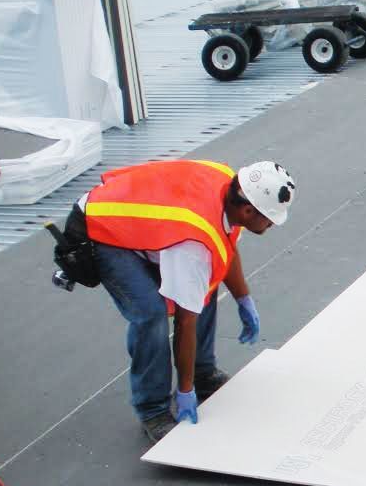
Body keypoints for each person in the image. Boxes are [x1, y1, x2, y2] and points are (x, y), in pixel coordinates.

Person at [71, 159, 295, 443]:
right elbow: (186, 321)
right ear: (249, 210)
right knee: (150, 314)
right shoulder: (194, 244)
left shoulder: (233, 188)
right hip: (103, 228)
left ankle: (203, 373)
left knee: (204, 281)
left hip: (137, 215)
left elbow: (224, 250)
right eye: (270, 219)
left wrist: (243, 298)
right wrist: (185, 391)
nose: (272, 225)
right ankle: (153, 409)